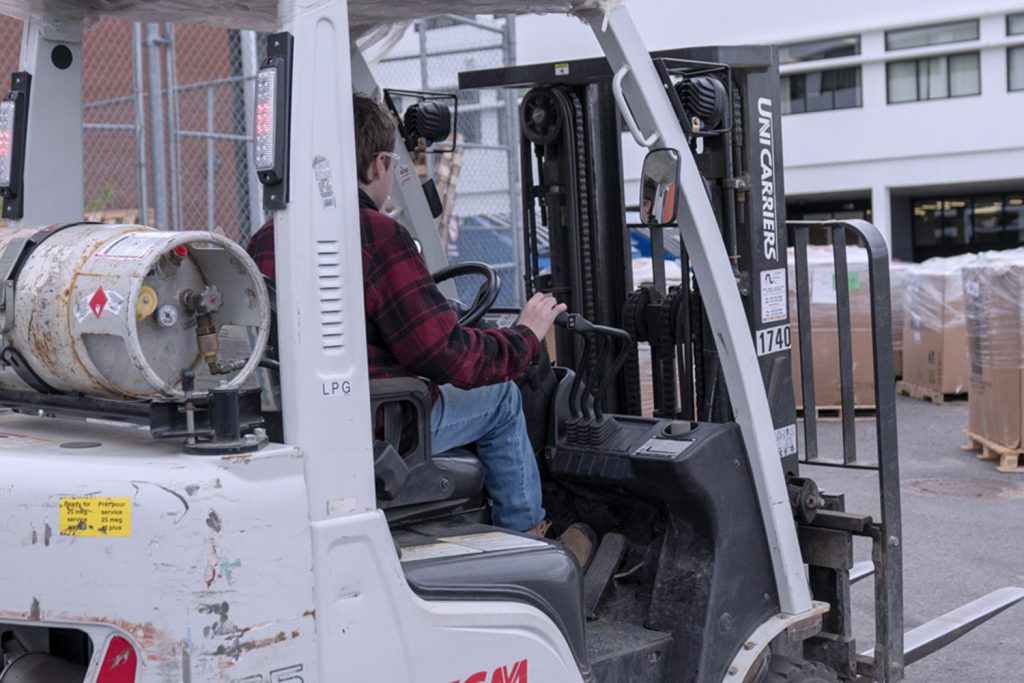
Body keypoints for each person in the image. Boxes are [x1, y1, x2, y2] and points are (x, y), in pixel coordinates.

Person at [248, 93, 567, 540]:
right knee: (501, 398)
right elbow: (445, 355)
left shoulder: (266, 238)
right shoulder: (377, 235)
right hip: (383, 423)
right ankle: (528, 534)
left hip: (305, 420)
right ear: (379, 164)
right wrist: (525, 338)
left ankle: (462, 519)